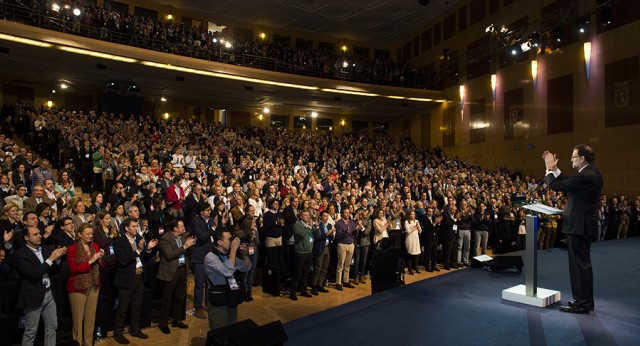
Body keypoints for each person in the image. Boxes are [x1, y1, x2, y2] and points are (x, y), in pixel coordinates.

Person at [543, 145, 603, 314]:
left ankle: (581, 303)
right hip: (582, 226)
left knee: (579, 267)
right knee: (583, 265)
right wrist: (555, 169)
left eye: (573, 157)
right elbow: (568, 182)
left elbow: (557, 185)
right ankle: (586, 301)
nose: (571, 160)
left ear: (582, 158)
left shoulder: (586, 176)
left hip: (579, 227)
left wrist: (548, 169)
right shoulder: (590, 173)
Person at [14, 226, 67, 346]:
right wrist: (51, 259)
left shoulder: (44, 248)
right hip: (33, 296)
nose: (40, 236)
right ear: (26, 238)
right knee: (31, 332)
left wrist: (58, 257)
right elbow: (34, 273)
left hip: (48, 293)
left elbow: (53, 267)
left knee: (52, 327)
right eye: (35, 234)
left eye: (40, 233)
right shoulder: (21, 255)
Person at [112, 217, 158, 344]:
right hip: (126, 278)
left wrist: (148, 248)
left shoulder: (138, 238)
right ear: (126, 228)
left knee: (137, 306)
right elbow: (123, 260)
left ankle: (135, 329)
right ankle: (118, 332)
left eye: (136, 226)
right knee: (123, 307)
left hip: (139, 276)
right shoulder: (119, 241)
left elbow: (144, 256)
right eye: (133, 226)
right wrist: (138, 250)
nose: (136, 228)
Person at [66, 223, 105, 346]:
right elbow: (73, 270)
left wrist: (100, 259)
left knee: (90, 320)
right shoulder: (72, 249)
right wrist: (91, 260)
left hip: (93, 285)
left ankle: (88, 343)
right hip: (78, 287)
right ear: (79, 234)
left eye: (91, 234)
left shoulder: (95, 245)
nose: (90, 236)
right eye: (87, 233)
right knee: (78, 321)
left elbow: (102, 266)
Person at [204, 229, 251, 331]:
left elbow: (246, 267)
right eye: (229, 239)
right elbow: (228, 272)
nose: (232, 241)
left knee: (232, 330)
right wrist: (233, 250)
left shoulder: (228, 256)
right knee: (219, 332)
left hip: (231, 296)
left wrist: (244, 254)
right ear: (220, 242)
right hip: (218, 301)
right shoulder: (210, 257)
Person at [157, 219, 196, 334]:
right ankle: (163, 323)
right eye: (182, 226)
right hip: (170, 272)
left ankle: (177, 320)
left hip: (182, 270)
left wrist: (191, 244)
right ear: (175, 228)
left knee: (180, 297)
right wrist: (185, 246)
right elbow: (169, 255)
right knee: (166, 300)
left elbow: (187, 252)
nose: (184, 228)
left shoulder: (183, 236)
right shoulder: (165, 239)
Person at [289, 209, 315, 300]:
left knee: (305, 273)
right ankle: (293, 292)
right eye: (305, 215)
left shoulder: (309, 226)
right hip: (300, 253)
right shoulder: (297, 225)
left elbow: (317, 234)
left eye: (308, 215)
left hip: (309, 253)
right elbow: (302, 234)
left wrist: (317, 227)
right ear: (301, 216)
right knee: (297, 274)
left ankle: (303, 291)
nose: (307, 217)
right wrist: (308, 227)